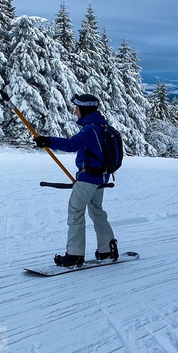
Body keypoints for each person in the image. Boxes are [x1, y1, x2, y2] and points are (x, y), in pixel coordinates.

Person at [34, 94, 118, 268]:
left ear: (84, 109)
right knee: (97, 211)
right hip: (100, 177)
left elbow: (72, 144)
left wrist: (47, 141)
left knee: (75, 212)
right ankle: (107, 249)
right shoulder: (101, 126)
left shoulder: (90, 130)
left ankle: (74, 254)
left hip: (89, 179)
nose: (74, 110)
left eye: (77, 107)